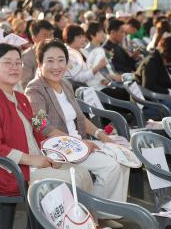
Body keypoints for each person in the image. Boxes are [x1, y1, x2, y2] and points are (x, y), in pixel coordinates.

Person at [0, 43, 93, 227]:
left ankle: (86, 223)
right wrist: (33, 160)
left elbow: (37, 125)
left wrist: (53, 150)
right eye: (7, 63)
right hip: (12, 170)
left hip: (36, 160)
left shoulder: (19, 97)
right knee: (70, 180)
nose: (14, 67)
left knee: (81, 173)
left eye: (18, 63)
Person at [25, 39, 130, 228]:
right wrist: (78, 144)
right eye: (50, 61)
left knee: (122, 159)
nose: (56, 66)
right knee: (111, 166)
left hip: (78, 143)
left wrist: (102, 135)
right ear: (40, 63)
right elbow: (41, 125)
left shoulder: (65, 84)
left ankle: (103, 212)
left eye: (60, 60)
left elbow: (80, 117)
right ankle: (95, 213)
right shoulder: (34, 89)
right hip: (60, 149)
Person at [63, 24, 107, 90]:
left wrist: (102, 79)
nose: (83, 39)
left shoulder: (84, 51)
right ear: (70, 38)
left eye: (83, 36)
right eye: (80, 37)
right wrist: (97, 67)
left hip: (100, 85)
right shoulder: (68, 57)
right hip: (91, 90)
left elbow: (92, 67)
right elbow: (79, 78)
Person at [21, 20, 54, 89]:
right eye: (45, 35)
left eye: (51, 35)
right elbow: (26, 85)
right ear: (34, 38)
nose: (49, 39)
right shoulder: (27, 57)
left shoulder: (56, 52)